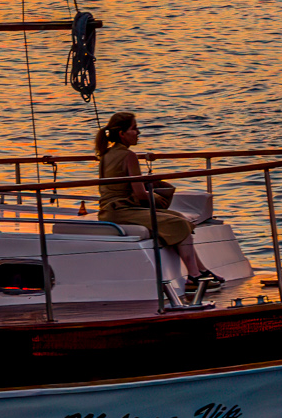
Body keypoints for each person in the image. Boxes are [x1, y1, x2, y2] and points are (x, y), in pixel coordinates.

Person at [95, 111, 221, 293]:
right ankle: (193, 276)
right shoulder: (129, 156)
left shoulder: (106, 154)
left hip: (110, 210)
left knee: (180, 218)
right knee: (178, 223)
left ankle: (201, 270)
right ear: (122, 133)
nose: (138, 132)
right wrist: (158, 198)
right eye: (134, 128)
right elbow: (140, 194)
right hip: (122, 210)